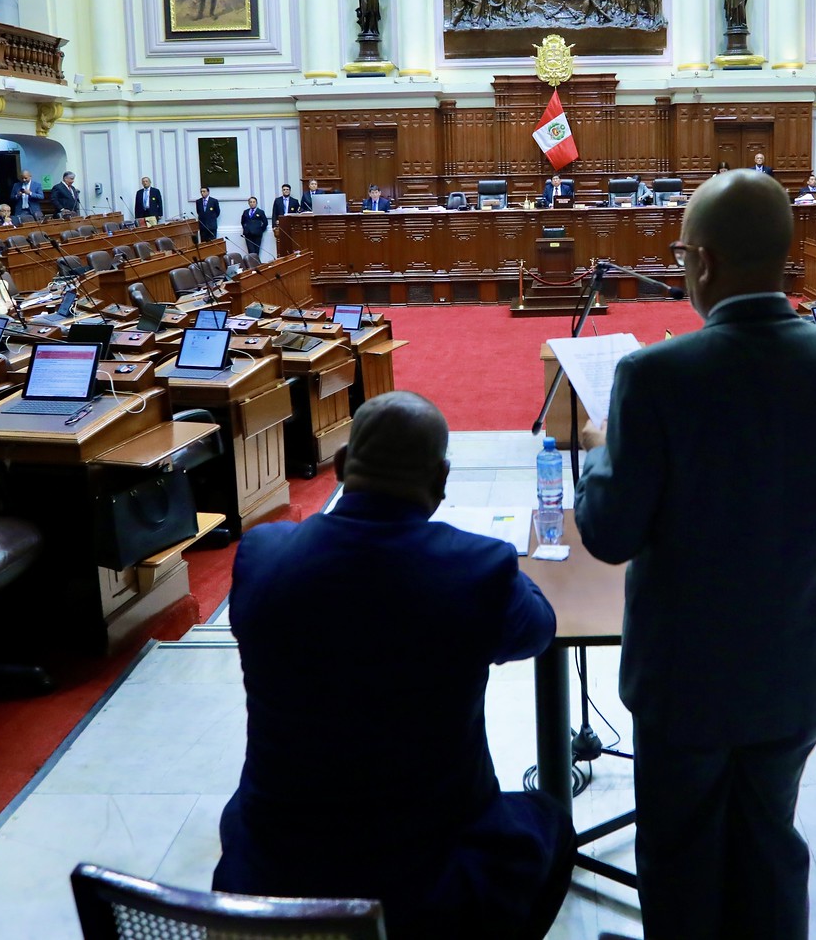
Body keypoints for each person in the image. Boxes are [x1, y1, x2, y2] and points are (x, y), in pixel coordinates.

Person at [576, 171, 816, 940]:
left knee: (682, 857)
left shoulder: (653, 377)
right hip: (798, 665)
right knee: (770, 841)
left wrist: (598, 455)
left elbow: (609, 534)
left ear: (703, 263)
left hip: (687, 679)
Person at [215, 392, 572, 939]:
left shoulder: (263, 554)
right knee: (550, 822)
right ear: (442, 478)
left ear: (339, 468)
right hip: (423, 882)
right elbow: (539, 630)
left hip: (274, 867)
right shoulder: (478, 568)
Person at [240, 196, 268, 260]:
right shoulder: (246, 212)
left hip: (257, 234)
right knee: (251, 251)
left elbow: (265, 223)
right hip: (248, 234)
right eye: (250, 202)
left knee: (256, 251)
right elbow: (242, 222)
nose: (252, 203)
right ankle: (251, 264)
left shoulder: (260, 212)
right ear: (249, 203)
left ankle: (256, 264)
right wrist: (246, 229)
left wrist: (260, 230)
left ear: (256, 203)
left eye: (253, 202)